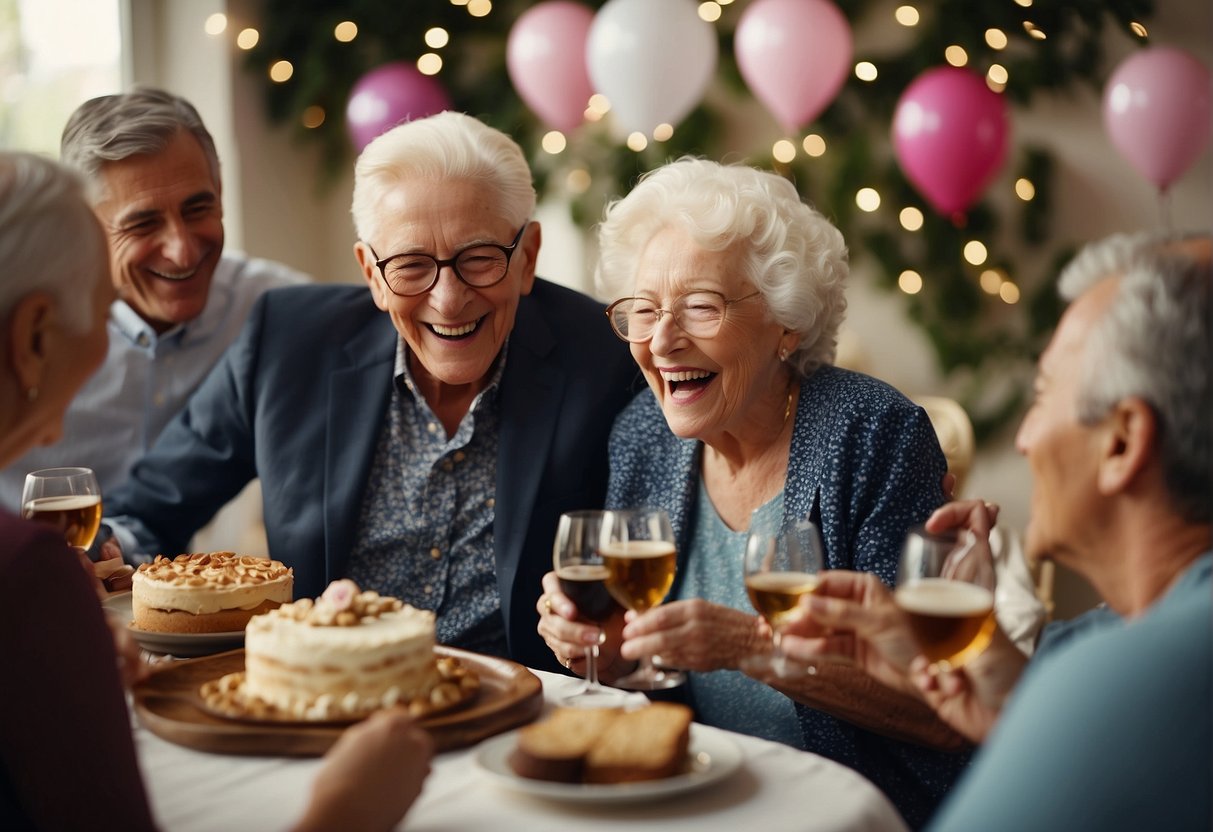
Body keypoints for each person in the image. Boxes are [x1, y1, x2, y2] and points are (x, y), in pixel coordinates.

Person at [103, 111, 636, 671]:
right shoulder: (285, 343)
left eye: (479, 259)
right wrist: (97, 555)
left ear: (526, 257)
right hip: (325, 700)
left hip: (515, 719)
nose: (448, 299)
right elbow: (151, 509)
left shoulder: (608, 359)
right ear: (371, 273)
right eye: (410, 265)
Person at [0, 150, 431, 832]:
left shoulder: (282, 311)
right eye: (104, 303)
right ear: (32, 337)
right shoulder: (23, 572)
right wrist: (346, 811)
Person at [536, 157, 971, 828]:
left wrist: (752, 647)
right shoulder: (643, 434)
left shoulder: (874, 436)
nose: (661, 340)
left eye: (701, 307)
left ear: (785, 322)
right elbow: (649, 666)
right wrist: (602, 643)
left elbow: (938, 708)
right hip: (696, 801)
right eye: (643, 311)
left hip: (852, 811)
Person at [783, 232, 1211, 830]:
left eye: (1041, 398)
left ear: (1122, 441)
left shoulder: (1132, 671)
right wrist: (999, 681)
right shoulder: (1117, 636)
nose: (1023, 439)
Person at [0, 87, 307, 545]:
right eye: (143, 223)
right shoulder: (41, 328)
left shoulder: (276, 312)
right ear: (86, 224)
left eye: (198, 207)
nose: (182, 250)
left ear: (221, 193)